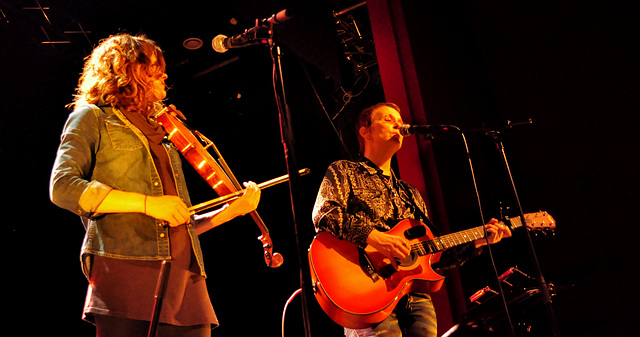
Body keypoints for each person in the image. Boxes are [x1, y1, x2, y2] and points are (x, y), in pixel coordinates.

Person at [49, 33, 261, 337]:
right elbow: (63, 187)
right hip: (127, 271)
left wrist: (230, 212)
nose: (163, 73)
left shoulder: (164, 133)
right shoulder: (92, 117)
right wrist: (147, 204)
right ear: (125, 70)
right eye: (152, 66)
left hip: (186, 276)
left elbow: (174, 220)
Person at [311, 102, 512, 337]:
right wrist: (376, 238)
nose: (399, 124)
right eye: (387, 119)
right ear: (364, 132)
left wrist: (478, 241)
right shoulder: (344, 170)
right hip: (367, 290)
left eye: (399, 120)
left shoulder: (411, 193)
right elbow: (325, 214)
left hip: (416, 296)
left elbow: (434, 255)